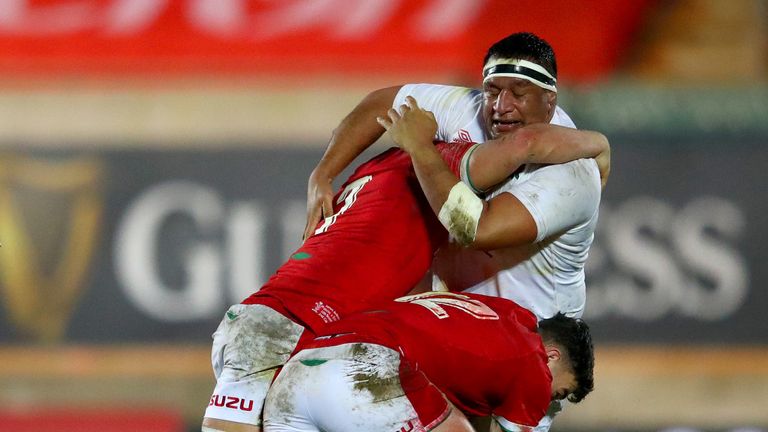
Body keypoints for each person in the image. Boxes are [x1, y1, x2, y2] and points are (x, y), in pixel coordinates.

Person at [202, 125, 608, 430]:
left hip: (273, 327)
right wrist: (601, 148)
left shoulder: (373, 172)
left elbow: (380, 102)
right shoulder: (439, 165)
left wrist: (322, 172)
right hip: (297, 326)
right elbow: (523, 145)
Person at [305, 32, 604, 430]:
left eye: (519, 93)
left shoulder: (571, 174)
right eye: (492, 90)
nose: (501, 107)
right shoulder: (467, 110)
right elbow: (382, 102)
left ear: (551, 98)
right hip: (462, 324)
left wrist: (421, 148)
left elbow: (475, 228)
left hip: (533, 338)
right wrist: (322, 175)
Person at [262, 291, 595, 432]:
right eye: (561, 393)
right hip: (364, 368)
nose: (552, 401)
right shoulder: (534, 365)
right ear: (552, 356)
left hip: (296, 373)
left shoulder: (502, 314)